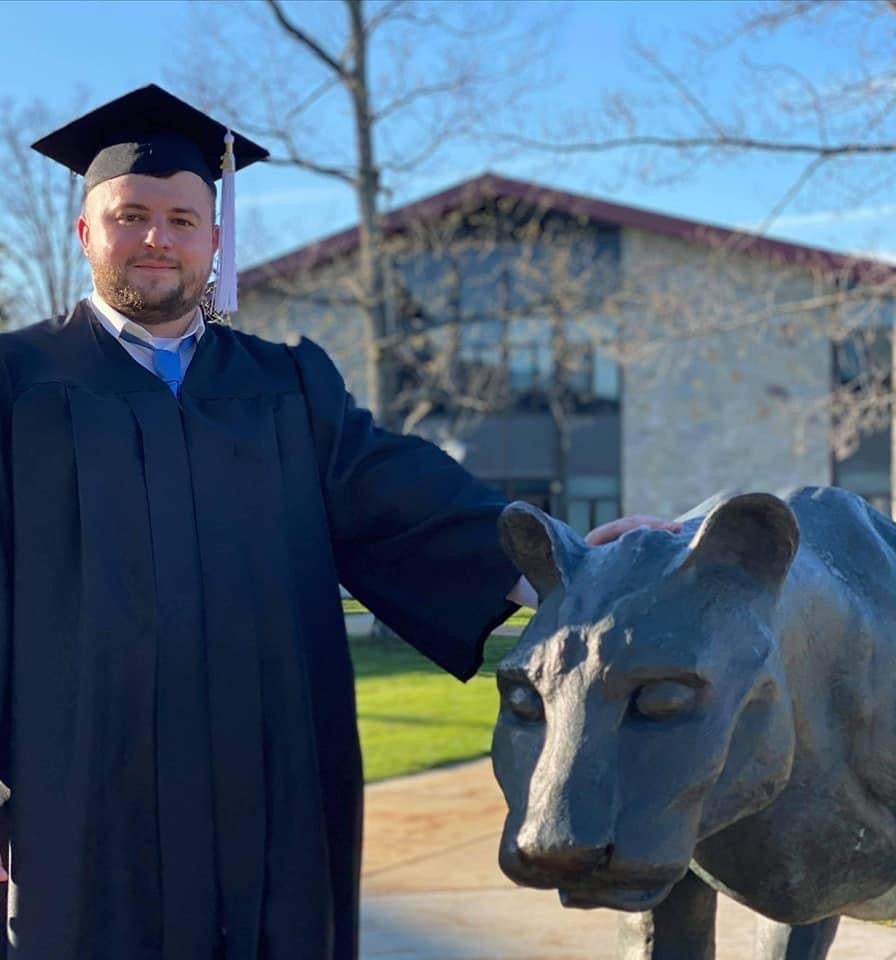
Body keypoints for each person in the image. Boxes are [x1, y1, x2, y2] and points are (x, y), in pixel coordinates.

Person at [0, 85, 678, 960]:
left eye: (181, 217)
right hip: (84, 780)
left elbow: (402, 497)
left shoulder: (288, 386)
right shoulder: (19, 385)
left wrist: (565, 559)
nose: (157, 239)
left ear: (215, 239)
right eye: (130, 216)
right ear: (87, 232)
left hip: (273, 777)